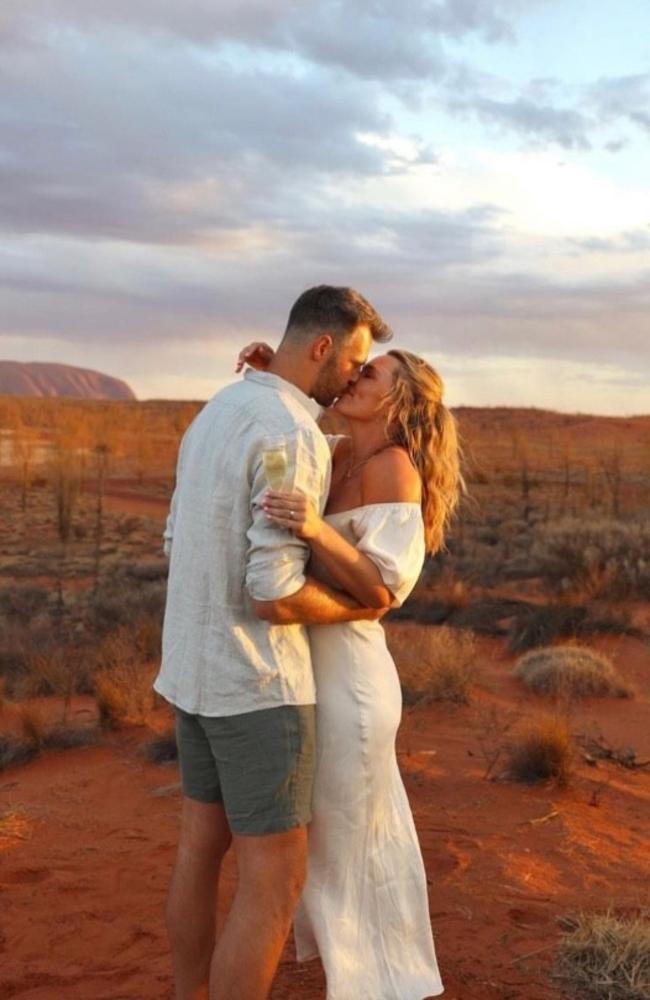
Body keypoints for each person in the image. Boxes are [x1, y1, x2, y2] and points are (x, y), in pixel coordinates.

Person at [153, 285, 392, 1000]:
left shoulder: (218, 409)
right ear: (322, 346)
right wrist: (356, 609)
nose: (352, 376)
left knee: (199, 851)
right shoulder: (290, 434)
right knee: (276, 880)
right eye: (352, 359)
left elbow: (174, 539)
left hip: (192, 673)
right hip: (258, 690)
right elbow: (273, 593)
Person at [239, 342, 462, 999]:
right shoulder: (333, 451)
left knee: (350, 844)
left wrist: (314, 528)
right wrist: (273, 367)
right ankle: (376, 977)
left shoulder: (394, 468)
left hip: (351, 680)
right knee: (342, 840)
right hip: (309, 666)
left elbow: (384, 590)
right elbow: (302, 405)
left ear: (396, 402)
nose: (353, 379)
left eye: (369, 374)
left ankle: (374, 983)